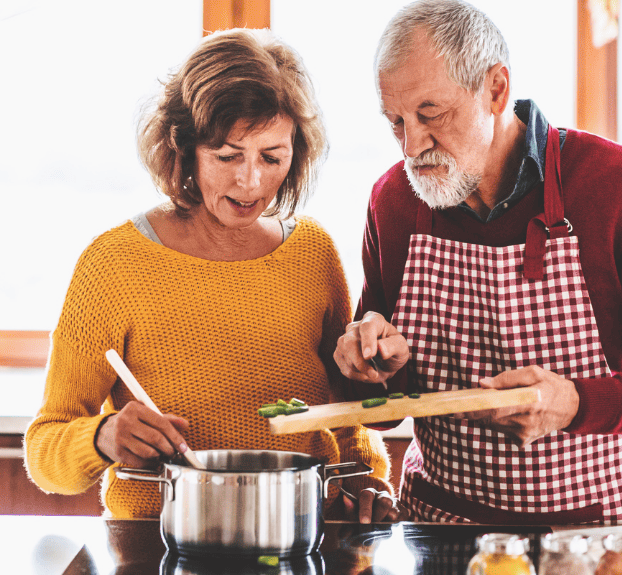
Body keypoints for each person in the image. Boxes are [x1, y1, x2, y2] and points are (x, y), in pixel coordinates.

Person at [333, 0, 622, 525]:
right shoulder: (394, 201)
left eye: (430, 114)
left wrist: (576, 402)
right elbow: (374, 405)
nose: (412, 145)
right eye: (395, 121)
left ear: (495, 89)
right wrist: (374, 367)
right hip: (439, 530)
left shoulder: (620, 186)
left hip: (596, 536)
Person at [25, 28, 399, 523]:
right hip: (160, 544)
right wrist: (102, 436)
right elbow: (46, 451)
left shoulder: (313, 252)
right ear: (183, 148)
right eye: (227, 156)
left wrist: (366, 481)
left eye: (272, 157)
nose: (250, 181)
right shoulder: (114, 264)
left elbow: (343, 414)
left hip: (300, 534)